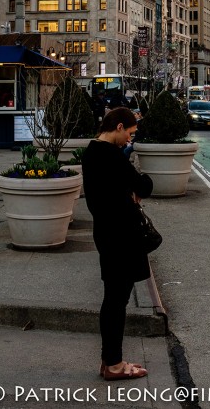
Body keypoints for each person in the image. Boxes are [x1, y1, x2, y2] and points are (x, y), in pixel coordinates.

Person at [82, 107, 153, 381]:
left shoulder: (91, 152)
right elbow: (144, 185)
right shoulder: (111, 155)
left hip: (106, 233)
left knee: (112, 299)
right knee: (116, 301)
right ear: (120, 126)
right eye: (130, 134)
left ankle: (109, 360)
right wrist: (136, 185)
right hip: (122, 236)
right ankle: (114, 364)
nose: (130, 140)